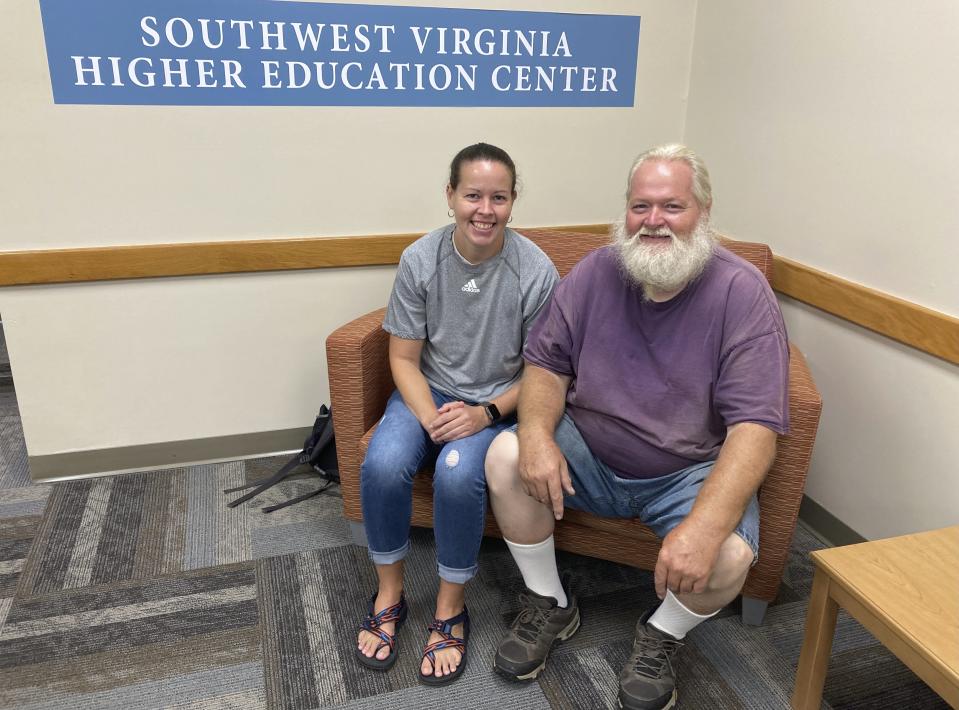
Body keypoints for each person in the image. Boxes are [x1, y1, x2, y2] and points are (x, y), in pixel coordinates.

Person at [485, 144, 789, 710]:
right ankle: (550, 602)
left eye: (672, 206)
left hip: (687, 469)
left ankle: (661, 635)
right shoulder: (598, 270)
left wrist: (701, 529)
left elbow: (756, 428)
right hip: (592, 451)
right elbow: (547, 364)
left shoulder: (742, 292)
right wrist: (535, 437)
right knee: (503, 458)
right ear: (625, 210)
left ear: (704, 209)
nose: (653, 221)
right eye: (640, 205)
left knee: (730, 557)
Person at [355, 143, 559, 685]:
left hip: (496, 403)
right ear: (450, 196)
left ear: (514, 202)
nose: (484, 209)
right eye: (472, 195)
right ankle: (390, 592)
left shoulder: (535, 270)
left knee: (454, 473)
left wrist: (484, 414)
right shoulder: (421, 258)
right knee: (382, 464)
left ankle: (450, 607)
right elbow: (402, 357)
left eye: (498, 197)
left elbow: (543, 375)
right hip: (428, 390)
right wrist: (430, 419)